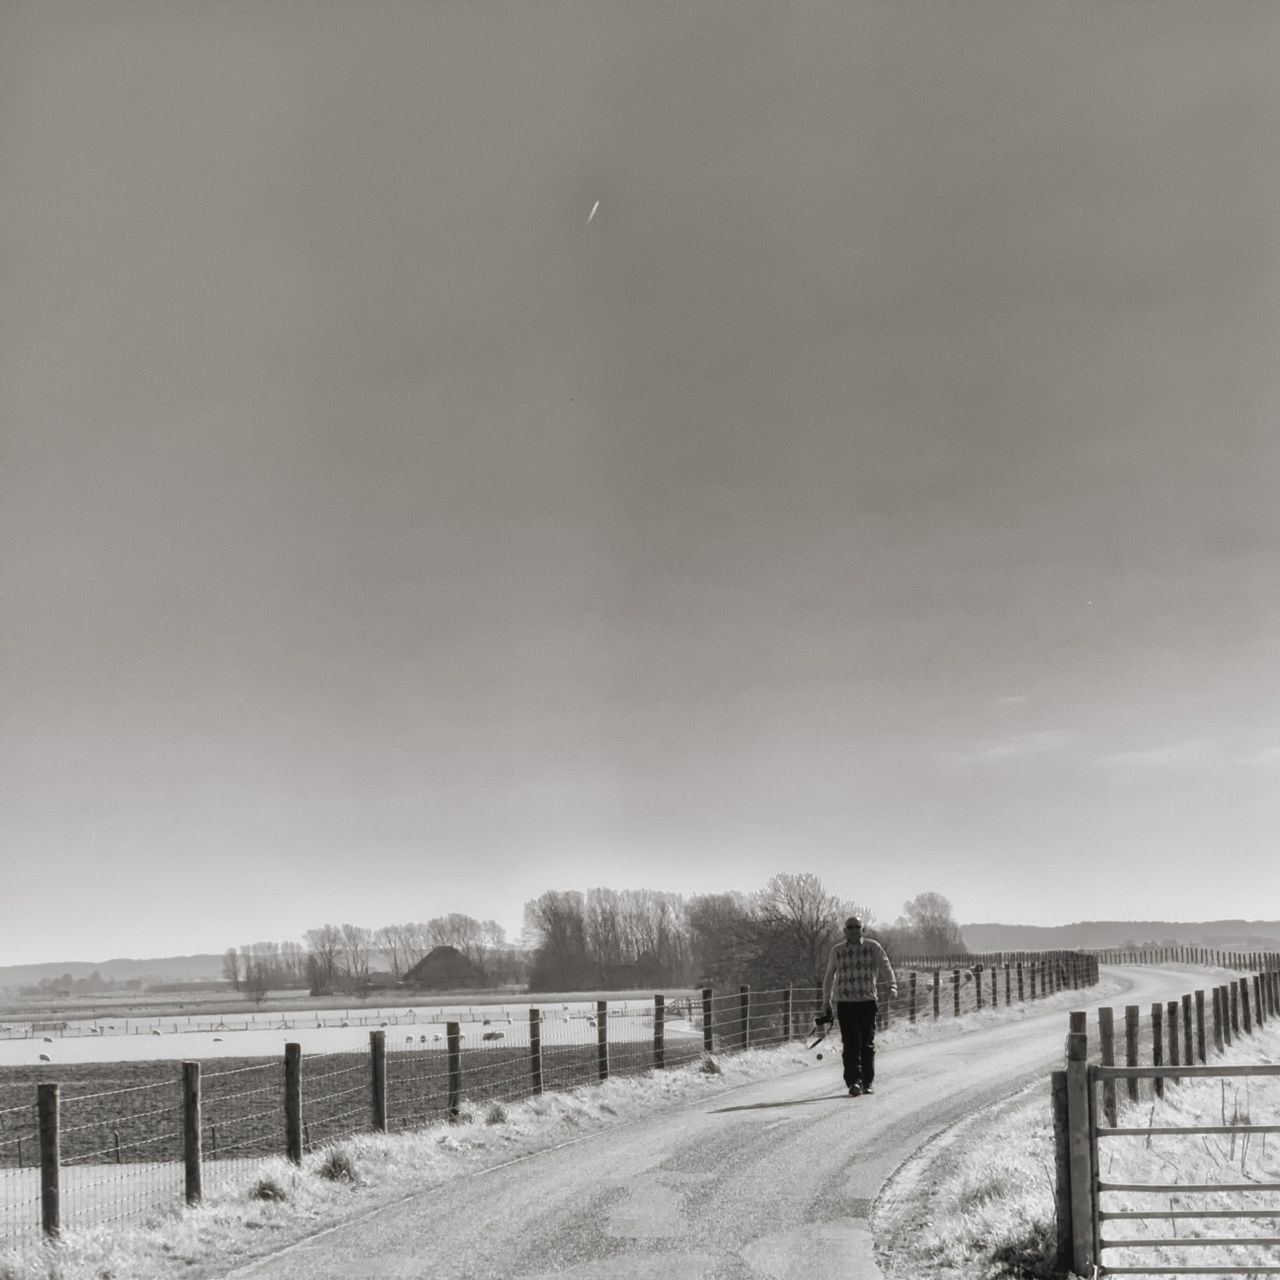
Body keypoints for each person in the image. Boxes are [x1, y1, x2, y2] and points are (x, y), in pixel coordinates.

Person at [821, 915, 897, 1096]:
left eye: (857, 927)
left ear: (863, 929)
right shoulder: (837, 951)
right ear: (845, 931)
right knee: (850, 1043)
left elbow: (886, 967)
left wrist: (892, 986)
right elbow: (829, 975)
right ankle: (853, 1081)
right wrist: (826, 1000)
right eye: (850, 927)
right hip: (846, 1003)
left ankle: (867, 1082)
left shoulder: (873, 947)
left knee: (866, 1043)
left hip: (867, 1002)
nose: (854, 930)